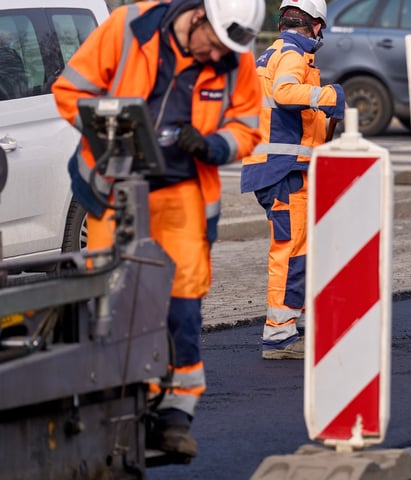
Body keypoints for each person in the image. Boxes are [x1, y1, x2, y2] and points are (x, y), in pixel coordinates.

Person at [52, 0, 264, 459]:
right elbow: (70, 89)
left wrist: (210, 145)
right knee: (109, 296)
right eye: (213, 45)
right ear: (198, 16)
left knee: (183, 302)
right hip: (115, 188)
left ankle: (173, 417)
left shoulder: (234, 56)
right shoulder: (131, 27)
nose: (216, 57)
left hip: (182, 192)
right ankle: (108, 407)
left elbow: (249, 125)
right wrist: (110, 129)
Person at [241, 0, 345, 360]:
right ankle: (280, 335)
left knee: (297, 249)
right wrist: (329, 96)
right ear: (315, 25)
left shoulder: (272, 53)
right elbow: (285, 94)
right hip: (282, 170)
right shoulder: (293, 54)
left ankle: (291, 323)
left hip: (278, 168)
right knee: (290, 251)